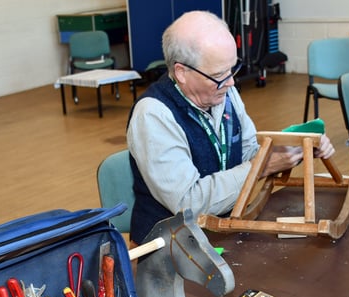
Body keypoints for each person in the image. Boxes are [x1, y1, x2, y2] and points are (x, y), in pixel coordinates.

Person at [126, 10, 335, 244]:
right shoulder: (153, 115)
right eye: (218, 74)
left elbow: (248, 152)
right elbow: (188, 205)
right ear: (181, 72)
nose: (231, 81)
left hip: (221, 232)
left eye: (232, 69)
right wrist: (262, 166)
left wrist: (296, 149)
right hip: (169, 248)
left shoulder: (224, 91)